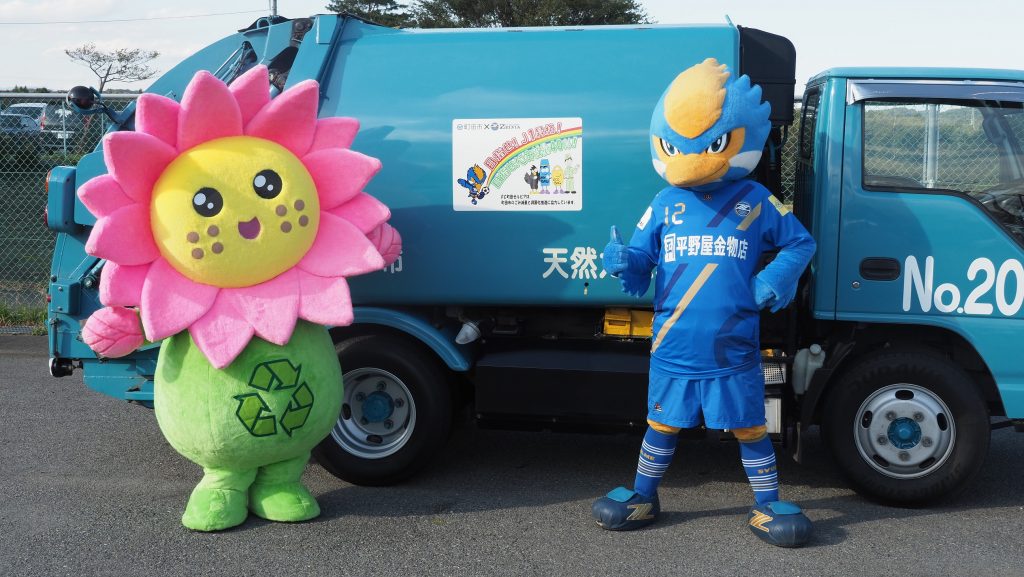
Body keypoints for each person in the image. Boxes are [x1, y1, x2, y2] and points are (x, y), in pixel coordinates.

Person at [592, 58, 816, 548]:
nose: (691, 160)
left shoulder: (757, 199)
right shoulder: (664, 203)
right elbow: (643, 257)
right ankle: (644, 495)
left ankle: (767, 502)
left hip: (732, 345)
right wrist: (623, 260)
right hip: (673, 344)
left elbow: (800, 242)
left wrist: (772, 280)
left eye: (712, 143)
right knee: (660, 425)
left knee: (750, 427)